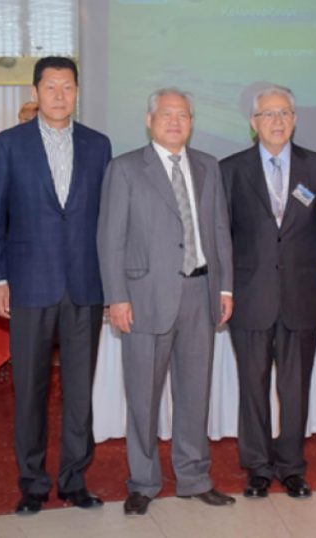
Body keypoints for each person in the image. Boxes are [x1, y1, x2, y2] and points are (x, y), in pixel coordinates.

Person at [0, 56, 111, 515]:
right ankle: (33, 483)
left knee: (79, 392)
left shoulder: (98, 145)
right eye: (51, 86)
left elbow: (106, 222)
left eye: (68, 86)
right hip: (28, 284)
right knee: (30, 391)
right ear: (35, 92)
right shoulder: (8, 145)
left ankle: (74, 479)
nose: (60, 95)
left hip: (84, 285)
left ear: (77, 92)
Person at [98, 88, 235, 516]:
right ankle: (143, 481)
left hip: (200, 293)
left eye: (183, 115)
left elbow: (220, 231)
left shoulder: (209, 166)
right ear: (149, 120)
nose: (175, 122)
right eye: (167, 114)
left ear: (192, 122)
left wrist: (225, 288)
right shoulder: (125, 169)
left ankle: (194, 477)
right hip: (144, 299)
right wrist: (116, 298)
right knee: (143, 396)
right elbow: (110, 239)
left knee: (195, 392)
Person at [219, 84, 316, 499]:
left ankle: (292, 466)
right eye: (268, 114)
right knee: (253, 386)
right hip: (249, 297)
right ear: (253, 122)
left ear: (294, 120)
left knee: (295, 390)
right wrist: (223, 289)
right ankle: (258, 467)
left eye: (284, 113)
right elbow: (221, 237)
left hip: (302, 297)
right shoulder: (230, 170)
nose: (277, 121)